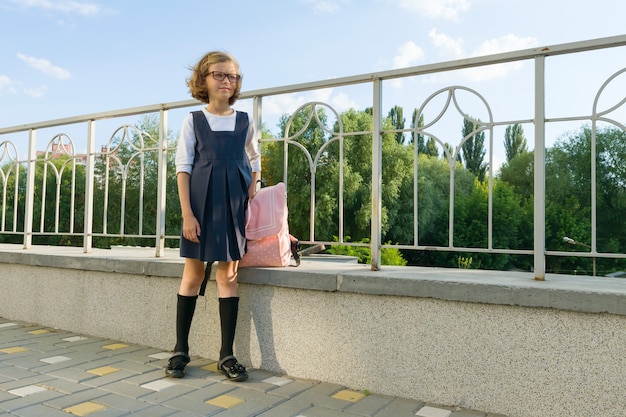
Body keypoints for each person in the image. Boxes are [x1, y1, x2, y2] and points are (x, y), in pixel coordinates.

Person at [165, 51, 261, 381]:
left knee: (228, 275)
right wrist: (187, 214)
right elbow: (183, 167)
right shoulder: (193, 120)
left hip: (234, 205)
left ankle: (227, 354)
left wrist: (254, 181)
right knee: (193, 274)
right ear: (204, 79)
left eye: (232, 76)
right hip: (201, 204)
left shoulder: (245, 121)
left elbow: (254, 155)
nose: (226, 81)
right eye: (219, 75)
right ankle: (180, 349)